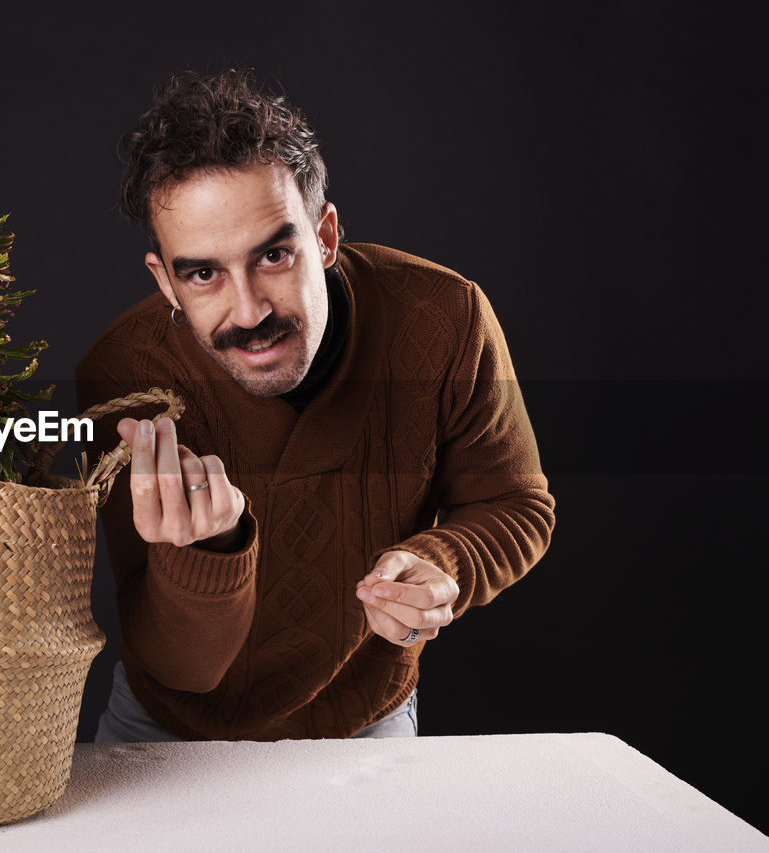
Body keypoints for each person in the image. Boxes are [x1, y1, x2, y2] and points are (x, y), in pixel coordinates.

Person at [75, 69, 555, 742]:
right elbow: (180, 669)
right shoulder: (121, 376)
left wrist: (443, 562)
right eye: (204, 273)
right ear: (166, 282)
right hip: (169, 728)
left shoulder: (447, 317)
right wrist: (203, 559)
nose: (249, 311)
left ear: (324, 237)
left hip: (363, 714)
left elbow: (518, 504)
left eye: (273, 254)